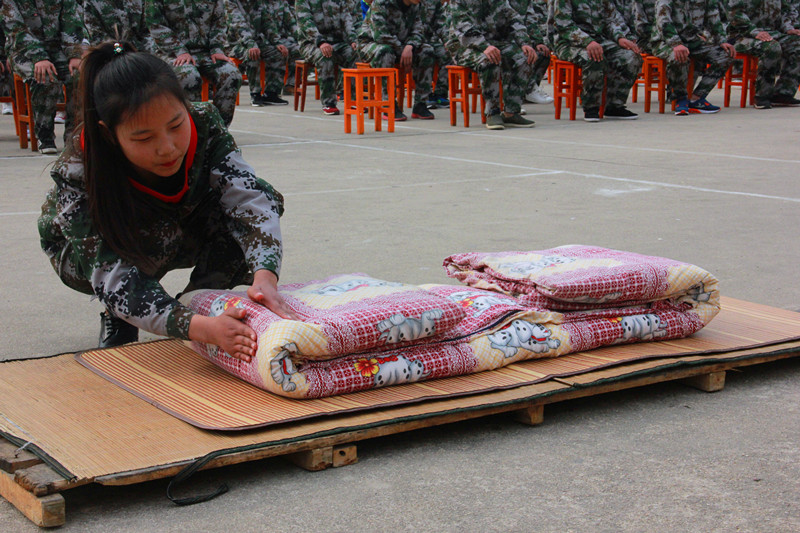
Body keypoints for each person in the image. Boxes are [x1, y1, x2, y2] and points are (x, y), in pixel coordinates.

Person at [38, 42, 296, 358]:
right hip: (87, 253)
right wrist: (196, 328)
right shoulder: (79, 166)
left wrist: (265, 277)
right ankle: (128, 315)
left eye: (176, 125)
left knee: (261, 201)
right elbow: (109, 272)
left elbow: (249, 200)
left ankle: (200, 303)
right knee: (136, 262)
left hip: (175, 220)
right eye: (144, 138)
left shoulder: (204, 123)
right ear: (109, 134)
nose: (168, 148)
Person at [2, 0, 83, 154]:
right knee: (45, 77)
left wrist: (75, 55)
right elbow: (16, 30)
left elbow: (72, 24)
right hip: (23, 51)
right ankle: (45, 136)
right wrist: (39, 57)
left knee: (80, 76)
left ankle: (73, 137)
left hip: (57, 49)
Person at [147, 0, 242, 126]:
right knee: (188, 76)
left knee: (232, 74)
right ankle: (192, 127)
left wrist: (217, 48)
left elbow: (219, 22)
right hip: (170, 52)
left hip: (205, 52)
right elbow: (156, 25)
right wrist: (179, 50)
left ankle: (218, 128)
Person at [448, 0, 538, 130]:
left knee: (524, 58)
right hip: (464, 46)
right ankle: (492, 112)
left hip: (494, 42)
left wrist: (524, 43)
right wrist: (484, 46)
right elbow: (463, 26)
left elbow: (513, 18)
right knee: (489, 60)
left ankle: (511, 112)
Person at [550, 0, 643, 122]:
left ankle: (614, 105)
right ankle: (591, 107)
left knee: (631, 57)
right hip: (568, 43)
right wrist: (587, 41)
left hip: (598, 40)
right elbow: (564, 25)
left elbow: (610, 21)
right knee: (594, 57)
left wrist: (620, 37)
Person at [650, 0, 734, 115]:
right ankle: (680, 99)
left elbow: (713, 19)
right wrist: (676, 43)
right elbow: (663, 21)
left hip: (692, 40)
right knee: (678, 56)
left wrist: (722, 41)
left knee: (726, 55)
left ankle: (697, 98)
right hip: (665, 41)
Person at [359, 0, 436, 120]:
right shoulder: (381, 3)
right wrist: (402, 49)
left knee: (427, 51)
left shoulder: (416, 5)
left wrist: (410, 46)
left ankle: (420, 104)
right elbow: (380, 35)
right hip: (371, 44)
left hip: (402, 45)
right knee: (385, 52)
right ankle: (388, 104)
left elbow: (419, 31)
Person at [727, 0, 800, 108]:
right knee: (771, 47)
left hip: (772, 33)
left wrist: (788, 28)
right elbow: (734, 14)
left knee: (797, 44)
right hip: (742, 36)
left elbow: (787, 10)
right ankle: (762, 96)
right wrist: (754, 31)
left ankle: (783, 93)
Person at [228, 0, 300, 106]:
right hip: (237, 43)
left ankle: (271, 93)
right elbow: (239, 25)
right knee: (253, 54)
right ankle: (255, 94)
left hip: (258, 41)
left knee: (278, 53)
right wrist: (251, 44)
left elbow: (267, 22)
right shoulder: (231, 2)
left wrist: (277, 42)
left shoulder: (258, 2)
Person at [295, 0, 358, 116]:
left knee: (355, 54)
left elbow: (346, 19)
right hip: (311, 43)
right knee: (324, 56)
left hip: (337, 42)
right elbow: (305, 22)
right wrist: (320, 42)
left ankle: (353, 99)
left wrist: (353, 39)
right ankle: (329, 102)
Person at [508, 0, 554, 104]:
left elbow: (530, 21)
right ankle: (518, 94)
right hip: (502, 41)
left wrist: (538, 41)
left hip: (520, 38)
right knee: (519, 56)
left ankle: (528, 92)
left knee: (543, 53)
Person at [82, 0, 151, 51]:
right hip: (110, 55)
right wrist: (119, 50)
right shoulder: (92, 2)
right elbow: (96, 36)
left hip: (140, 53)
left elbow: (149, 30)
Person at [420, 0, 452, 109]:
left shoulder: (434, 2)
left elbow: (440, 24)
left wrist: (447, 41)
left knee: (447, 53)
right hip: (413, 41)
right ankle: (426, 95)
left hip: (430, 39)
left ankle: (440, 94)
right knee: (426, 52)